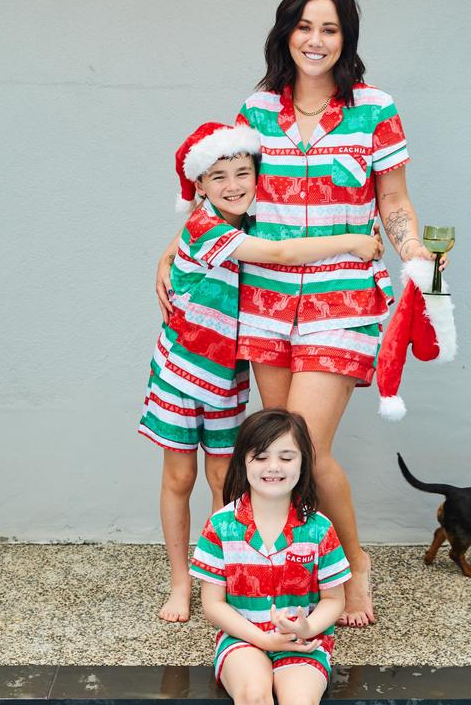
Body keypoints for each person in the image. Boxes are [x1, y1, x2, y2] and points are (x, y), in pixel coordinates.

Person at [157, 0, 442, 628]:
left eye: (331, 29)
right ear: (286, 33)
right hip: (262, 302)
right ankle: (290, 571)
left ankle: (354, 565)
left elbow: (394, 201)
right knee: (276, 449)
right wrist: (171, 250)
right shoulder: (257, 111)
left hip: (343, 298)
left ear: (347, 39)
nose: (316, 40)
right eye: (305, 26)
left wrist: (414, 251)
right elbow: (222, 198)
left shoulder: (375, 110)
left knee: (305, 448)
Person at [140, 121, 381, 622]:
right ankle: (180, 582)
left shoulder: (246, 220)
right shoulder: (207, 227)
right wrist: (353, 241)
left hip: (228, 377)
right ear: (199, 186)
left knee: (223, 477)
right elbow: (279, 253)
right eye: (218, 177)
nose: (233, 185)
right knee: (179, 477)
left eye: (243, 173)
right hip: (181, 373)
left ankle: (217, 578)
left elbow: (274, 238)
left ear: (258, 176)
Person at [190, 408, 349, 705]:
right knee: (256, 699)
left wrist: (305, 626)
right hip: (243, 638)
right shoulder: (221, 524)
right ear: (244, 462)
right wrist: (260, 636)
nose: (273, 467)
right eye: (261, 456)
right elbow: (212, 604)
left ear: (303, 465)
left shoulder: (319, 528)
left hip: (303, 641)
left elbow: (335, 600)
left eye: (286, 456)